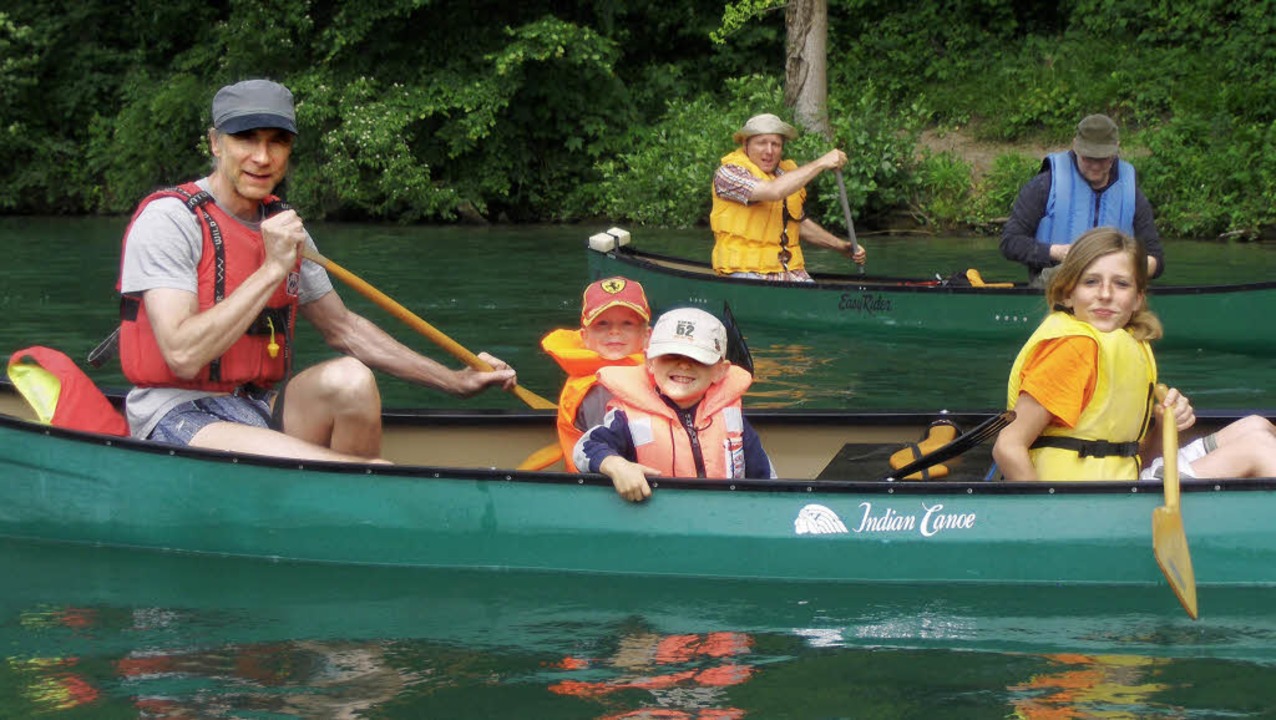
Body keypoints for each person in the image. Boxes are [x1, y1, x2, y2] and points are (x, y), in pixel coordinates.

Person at [116, 79, 517, 463]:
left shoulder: (284, 225)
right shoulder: (170, 219)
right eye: (246, 139)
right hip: (176, 411)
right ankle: (362, 484)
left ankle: (343, 496)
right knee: (365, 474)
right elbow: (183, 355)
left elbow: (344, 329)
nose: (262, 156)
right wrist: (273, 268)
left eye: (277, 142)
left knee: (352, 380)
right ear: (215, 143)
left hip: (254, 403)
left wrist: (453, 380)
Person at [992, 227, 1276, 482]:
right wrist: (1042, 519)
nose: (1105, 294)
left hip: (1124, 482)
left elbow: (1132, 457)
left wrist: (1165, 426)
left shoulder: (1123, 342)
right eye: (1091, 282)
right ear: (1067, 294)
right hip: (1078, 503)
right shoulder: (1073, 349)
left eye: (1121, 284)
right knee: (1257, 450)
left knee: (1256, 426)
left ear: (1138, 298)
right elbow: (1008, 446)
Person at [574, 307, 774, 502]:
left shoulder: (731, 416)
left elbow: (764, 476)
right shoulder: (626, 417)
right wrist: (616, 465)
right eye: (671, 355)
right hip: (654, 520)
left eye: (698, 359)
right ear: (650, 361)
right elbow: (586, 447)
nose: (684, 365)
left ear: (720, 371)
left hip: (724, 515)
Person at [1001, 113, 1165, 287]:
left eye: (1102, 159)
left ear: (1116, 149)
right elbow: (1010, 242)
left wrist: (1123, 266)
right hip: (1058, 285)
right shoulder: (1043, 186)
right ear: (1075, 146)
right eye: (1088, 158)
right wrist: (1058, 252)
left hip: (1115, 287)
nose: (1095, 166)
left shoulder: (1132, 194)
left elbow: (1156, 259)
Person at [710, 113, 867, 282]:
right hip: (746, 271)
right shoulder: (728, 174)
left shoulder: (785, 175)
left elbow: (797, 223)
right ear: (745, 144)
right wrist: (822, 162)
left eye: (775, 144)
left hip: (789, 270)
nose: (769, 151)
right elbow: (773, 191)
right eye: (761, 143)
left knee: (819, 300)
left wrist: (840, 246)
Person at [540, 276, 652, 473]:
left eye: (627, 323)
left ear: (647, 336)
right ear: (585, 337)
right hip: (612, 488)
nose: (615, 332)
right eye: (602, 324)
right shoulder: (596, 391)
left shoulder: (663, 375)